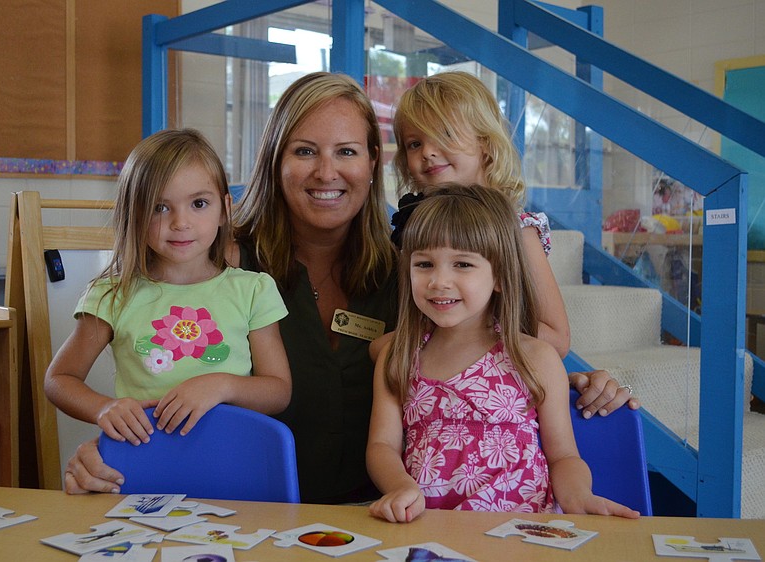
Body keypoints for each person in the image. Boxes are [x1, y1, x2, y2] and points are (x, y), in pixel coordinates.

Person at [62, 72, 636, 499]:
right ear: (273, 161)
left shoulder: (415, 276)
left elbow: (489, 361)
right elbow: (165, 371)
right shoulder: (218, 265)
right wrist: (114, 448)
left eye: (347, 152)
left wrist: (574, 380)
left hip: (381, 521)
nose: (326, 171)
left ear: (373, 164)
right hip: (238, 512)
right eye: (304, 151)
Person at [366, 185, 640, 522]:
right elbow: (382, 446)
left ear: (499, 276)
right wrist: (398, 487)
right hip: (427, 531)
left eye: (463, 264)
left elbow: (564, 457)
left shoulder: (536, 357)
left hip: (521, 533)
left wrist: (578, 496)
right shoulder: (398, 355)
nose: (438, 281)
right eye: (424, 264)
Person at [387, 70, 638, 417]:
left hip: (496, 398)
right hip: (426, 392)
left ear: (485, 145)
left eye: (445, 134)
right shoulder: (412, 232)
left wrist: (474, 322)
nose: (429, 152)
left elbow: (556, 337)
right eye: (415, 143)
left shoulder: (517, 231)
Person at [45, 128, 292, 449]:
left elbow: (278, 391)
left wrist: (221, 385)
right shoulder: (112, 295)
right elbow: (59, 380)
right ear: (135, 213)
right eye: (160, 207)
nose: (181, 222)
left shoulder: (254, 290)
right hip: (145, 461)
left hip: (232, 458)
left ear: (225, 208)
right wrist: (104, 408)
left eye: (199, 203)